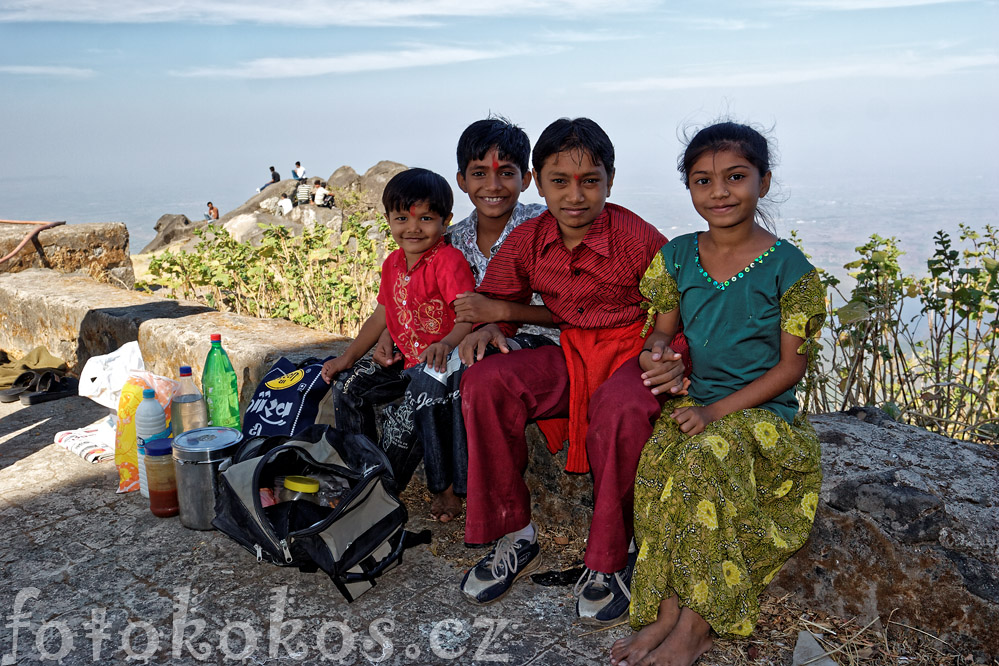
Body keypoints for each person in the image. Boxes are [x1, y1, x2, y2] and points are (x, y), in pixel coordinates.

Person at [456, 118, 688, 625]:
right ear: (538, 182)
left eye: (590, 180)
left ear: (610, 180)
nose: (575, 195)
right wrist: (483, 328)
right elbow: (498, 299)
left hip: (637, 351)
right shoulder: (529, 239)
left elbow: (679, 308)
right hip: (576, 352)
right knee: (484, 382)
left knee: (618, 407)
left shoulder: (636, 238)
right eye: (559, 181)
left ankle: (612, 557)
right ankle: (514, 532)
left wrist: (668, 357)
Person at [610, 122, 825, 666]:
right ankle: (665, 608)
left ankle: (696, 628)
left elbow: (790, 369)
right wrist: (658, 356)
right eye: (703, 181)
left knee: (704, 463)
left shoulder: (789, 269)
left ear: (764, 182)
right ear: (689, 189)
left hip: (760, 414)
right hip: (697, 405)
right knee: (659, 468)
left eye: (735, 177)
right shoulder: (678, 256)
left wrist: (715, 411)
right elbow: (659, 330)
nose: (720, 192)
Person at [370, 116, 558, 524]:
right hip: (468, 341)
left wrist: (500, 316)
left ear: (526, 179)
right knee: (423, 378)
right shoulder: (452, 240)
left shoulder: (544, 227)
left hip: (536, 341)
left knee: (452, 375)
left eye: (506, 173)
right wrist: (387, 332)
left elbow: (568, 308)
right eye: (479, 174)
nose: (493, 186)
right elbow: (418, 293)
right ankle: (378, 486)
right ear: (461, 179)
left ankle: (455, 487)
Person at [321, 169, 476, 505]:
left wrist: (446, 343)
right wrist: (345, 359)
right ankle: (360, 470)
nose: (413, 227)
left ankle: (383, 489)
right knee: (348, 385)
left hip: (437, 370)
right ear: (389, 219)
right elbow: (382, 314)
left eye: (426, 218)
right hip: (404, 360)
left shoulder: (448, 262)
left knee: (404, 421)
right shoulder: (392, 263)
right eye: (402, 217)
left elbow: (468, 316)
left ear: (446, 220)